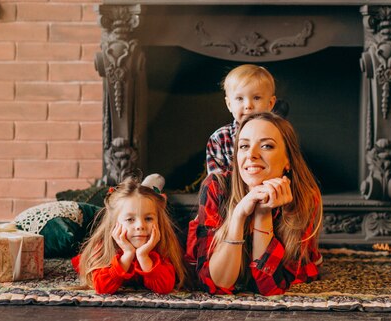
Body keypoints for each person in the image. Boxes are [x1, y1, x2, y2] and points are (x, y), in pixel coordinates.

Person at [187, 112, 323, 296]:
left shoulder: (305, 197)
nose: (251, 155)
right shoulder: (216, 187)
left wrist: (262, 214)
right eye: (243, 146)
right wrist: (238, 215)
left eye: (266, 146)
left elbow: (270, 287)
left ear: (288, 161)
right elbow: (217, 284)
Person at [72, 174, 186, 294]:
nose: (140, 225)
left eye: (148, 218)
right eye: (130, 219)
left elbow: (165, 287)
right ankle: (146, 187)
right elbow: (102, 287)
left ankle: (146, 188)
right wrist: (127, 254)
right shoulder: (104, 248)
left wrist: (143, 256)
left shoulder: (162, 245)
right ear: (114, 223)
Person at [206, 64, 277, 176]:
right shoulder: (220, 138)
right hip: (232, 193)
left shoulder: (280, 134)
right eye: (239, 98)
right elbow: (216, 184)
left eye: (256, 98)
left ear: (270, 103)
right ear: (229, 104)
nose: (248, 105)